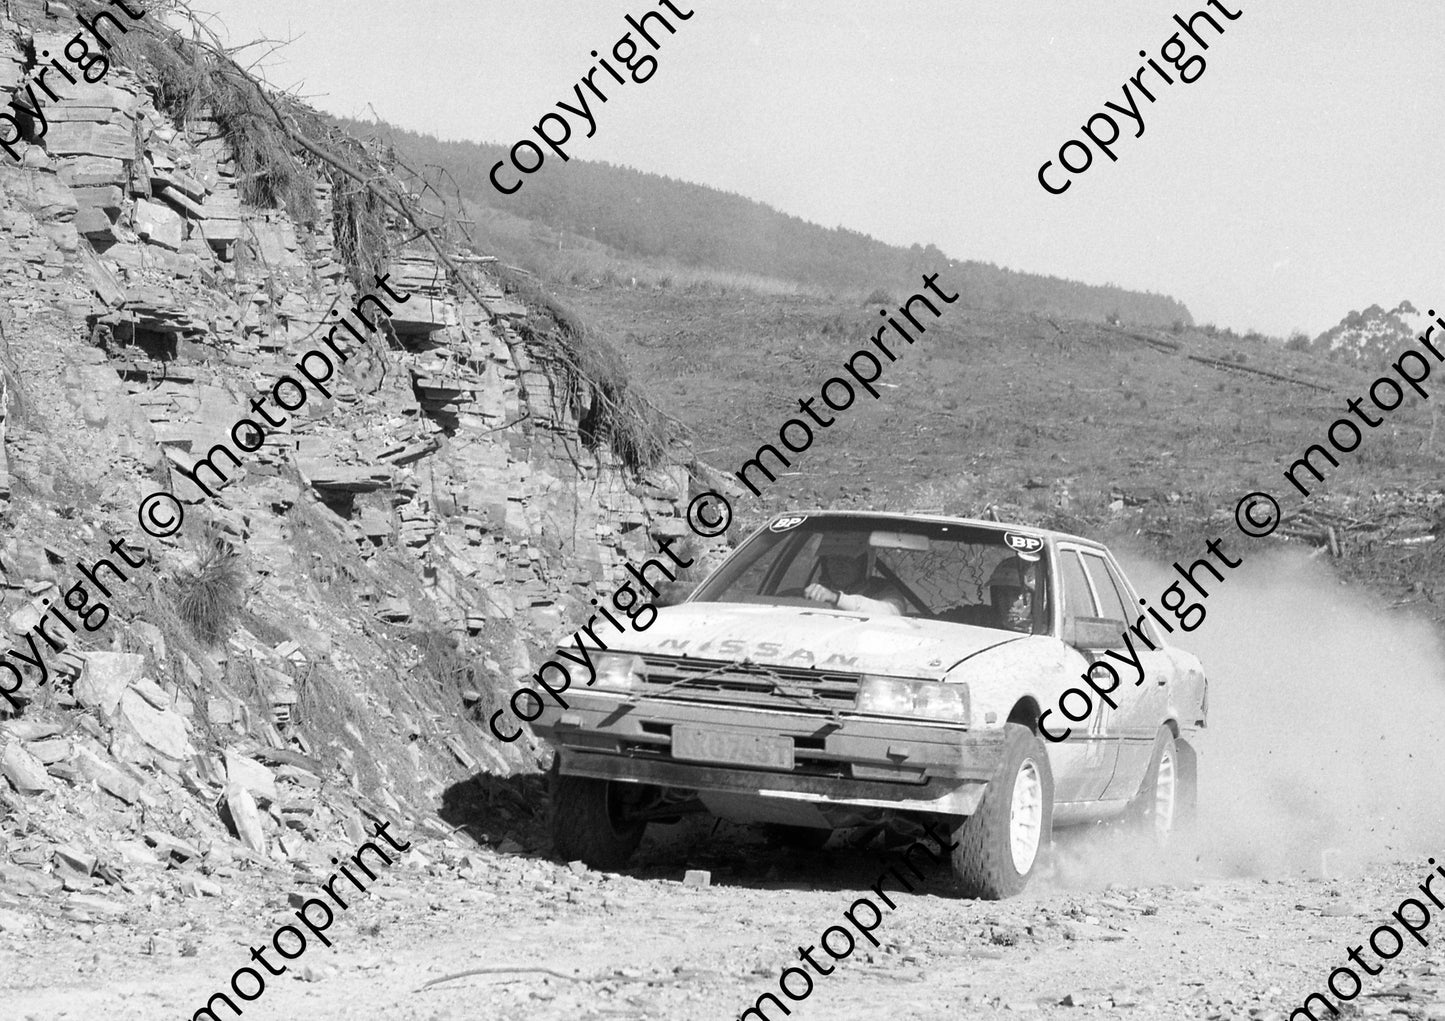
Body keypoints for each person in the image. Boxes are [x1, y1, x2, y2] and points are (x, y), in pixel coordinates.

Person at [804, 549, 904, 616]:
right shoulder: (815, 593)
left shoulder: (883, 589)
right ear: (826, 565)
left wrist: (837, 598)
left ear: (862, 564)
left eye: (847, 559)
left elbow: (893, 613)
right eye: (833, 558)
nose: (839, 565)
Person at [987, 555, 1039, 633]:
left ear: (1035, 598)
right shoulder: (981, 624)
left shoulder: (1047, 637)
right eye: (1003, 594)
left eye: (1016, 594)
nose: (1009, 602)